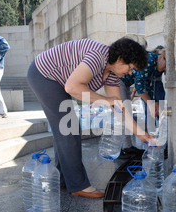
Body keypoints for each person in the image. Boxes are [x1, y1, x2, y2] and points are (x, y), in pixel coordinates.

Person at [27, 38, 155, 198]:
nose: (130, 73)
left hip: (58, 79)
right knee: (68, 127)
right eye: (130, 68)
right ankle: (78, 185)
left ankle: (63, 178)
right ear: (121, 58)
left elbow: (119, 108)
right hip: (44, 75)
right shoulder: (98, 57)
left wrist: (142, 135)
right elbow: (72, 87)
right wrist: (105, 100)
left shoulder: (112, 74)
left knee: (66, 127)